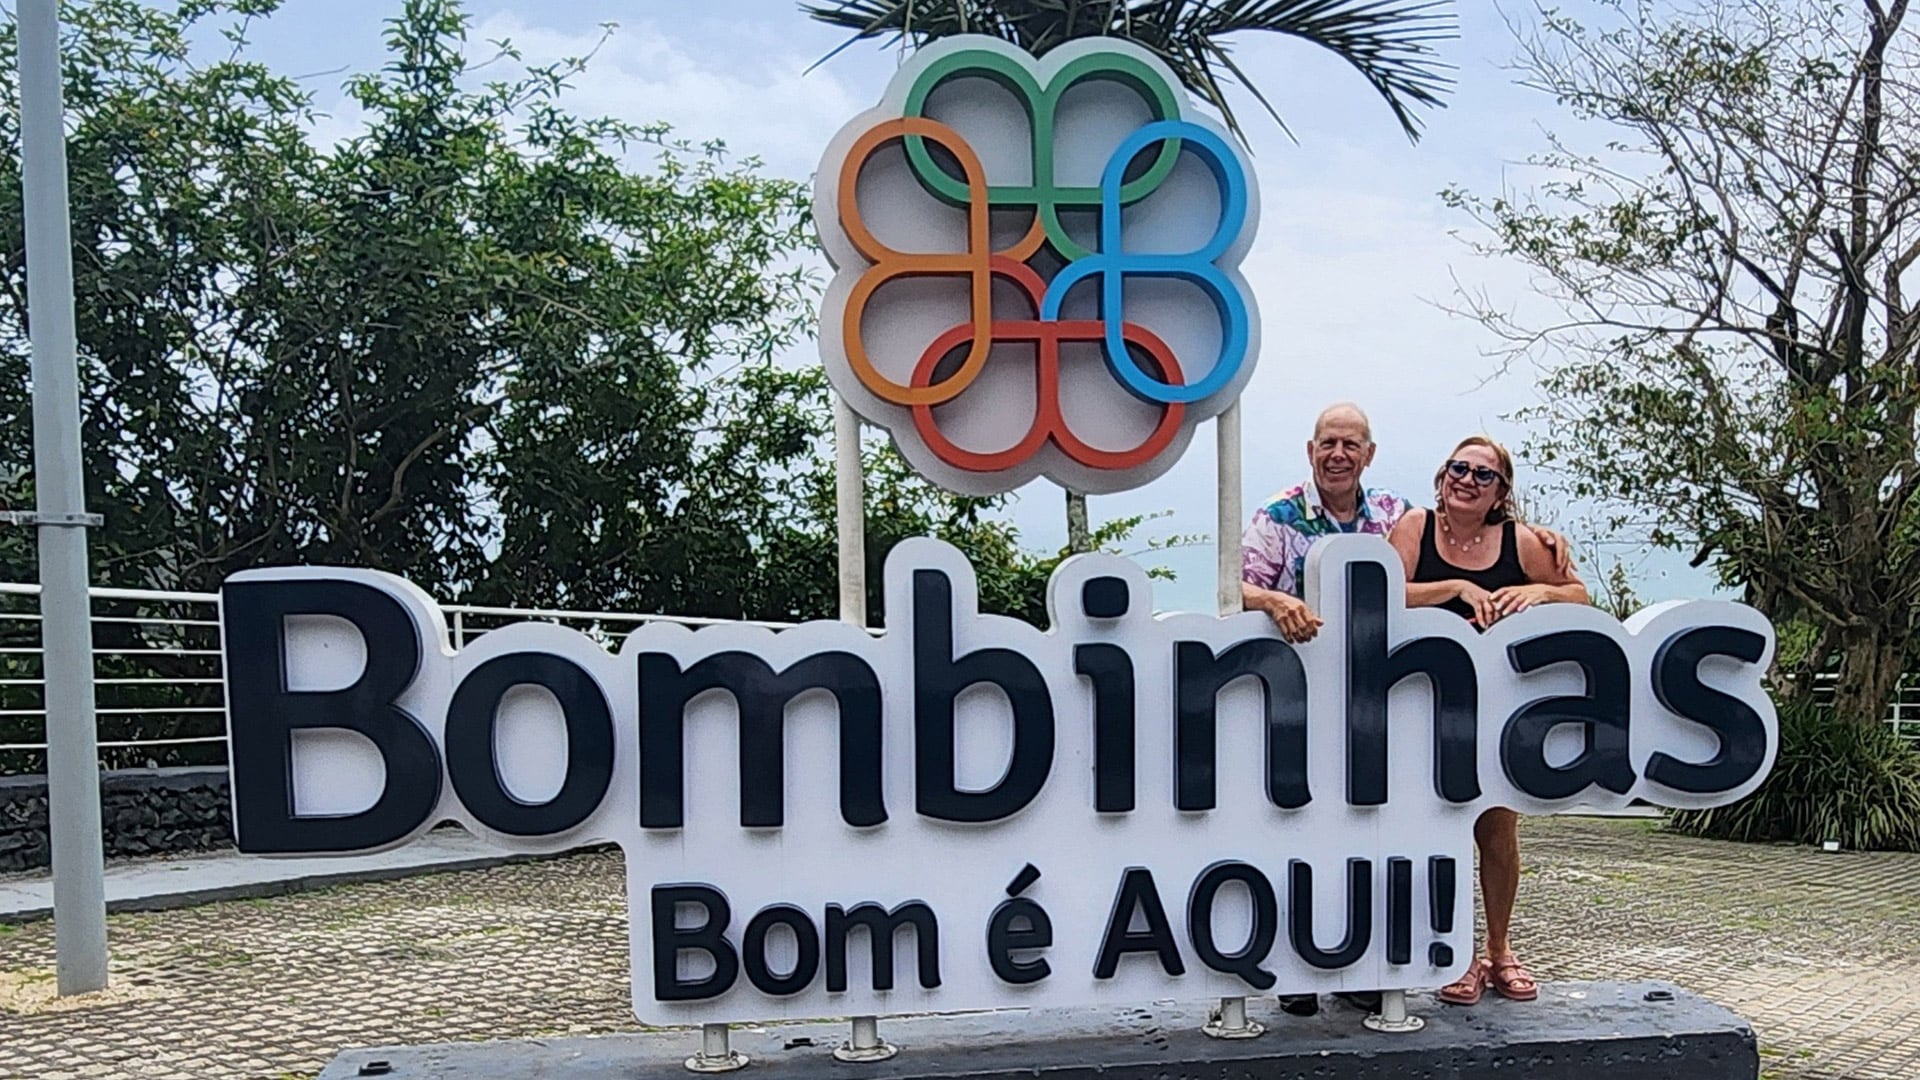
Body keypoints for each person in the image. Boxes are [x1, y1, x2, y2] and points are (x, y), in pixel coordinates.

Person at [1238, 406, 1572, 1017]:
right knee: (1304, 828)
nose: (1338, 454)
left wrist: (1546, 559)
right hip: (1306, 697)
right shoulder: (1278, 516)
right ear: (1311, 449)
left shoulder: (1392, 514)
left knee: (1393, 835)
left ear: (1369, 454)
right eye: (1328, 443)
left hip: (1398, 702)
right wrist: (1276, 599)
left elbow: (1408, 577)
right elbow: (1233, 586)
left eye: (1351, 444)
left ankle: (1373, 962)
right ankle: (1297, 968)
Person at [1386, 435, 1589, 1007]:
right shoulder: (1413, 528)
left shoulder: (1521, 541)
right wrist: (1453, 587)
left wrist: (1542, 593)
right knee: (1440, 834)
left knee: (1497, 833)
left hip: (1501, 706)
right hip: (1421, 708)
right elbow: (1383, 592)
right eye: (1459, 468)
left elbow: (1580, 596)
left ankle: (1501, 949)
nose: (1467, 480)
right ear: (1441, 473)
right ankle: (1460, 953)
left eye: (1483, 474)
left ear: (1501, 491)